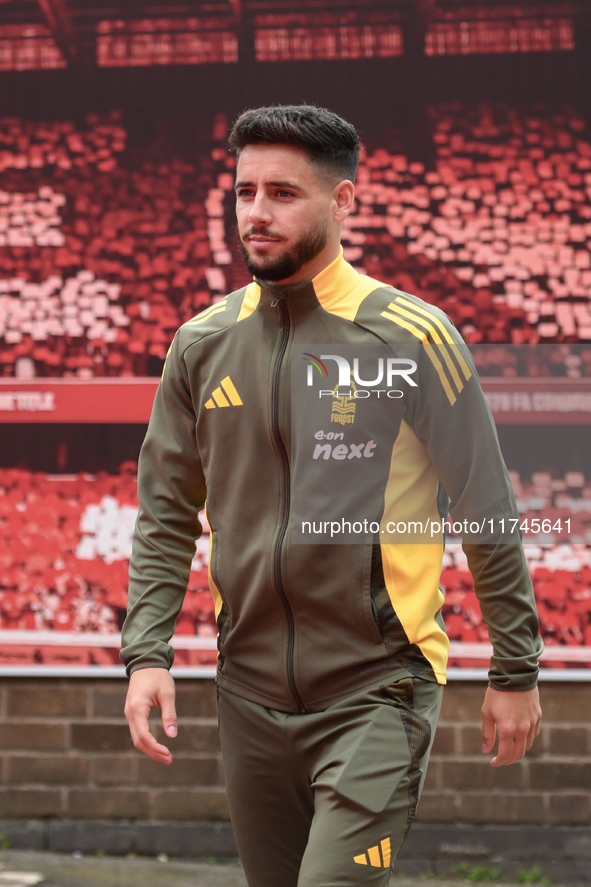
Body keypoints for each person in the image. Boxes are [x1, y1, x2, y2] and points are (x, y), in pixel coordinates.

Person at [122, 104, 543, 887]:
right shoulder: (201, 343)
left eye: (282, 193)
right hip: (244, 692)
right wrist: (147, 653)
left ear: (343, 200)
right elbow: (165, 513)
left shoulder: (412, 338)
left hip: (376, 687)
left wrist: (514, 668)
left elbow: (485, 501)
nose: (255, 213)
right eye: (244, 191)